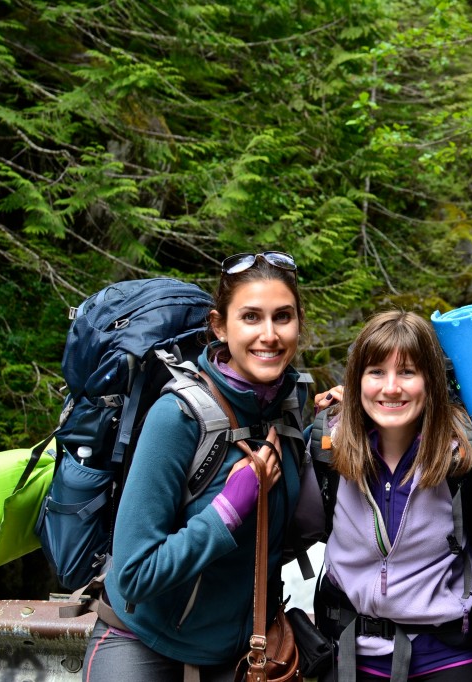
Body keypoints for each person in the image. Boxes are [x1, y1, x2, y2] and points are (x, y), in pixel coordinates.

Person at [82, 251, 312, 681]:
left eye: (283, 317)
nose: (269, 335)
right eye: (250, 317)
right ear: (219, 325)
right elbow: (134, 575)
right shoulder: (178, 417)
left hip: (241, 651)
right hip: (142, 642)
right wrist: (228, 511)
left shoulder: (292, 406)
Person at [309, 309, 472, 682]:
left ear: (430, 381)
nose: (391, 387)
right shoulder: (326, 448)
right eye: (376, 372)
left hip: (448, 655)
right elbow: (296, 531)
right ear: (356, 379)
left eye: (407, 372)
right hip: (349, 653)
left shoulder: (468, 455)